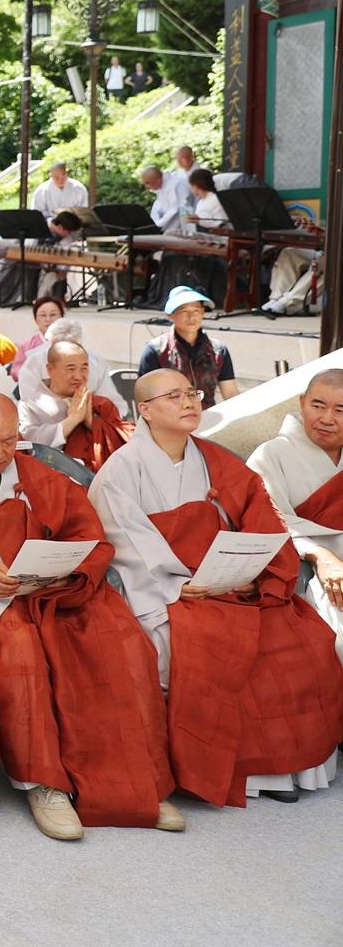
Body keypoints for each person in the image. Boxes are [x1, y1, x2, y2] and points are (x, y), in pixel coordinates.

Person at [0, 396, 181, 839]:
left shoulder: (33, 474)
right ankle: (44, 784)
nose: (1, 454)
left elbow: (85, 528)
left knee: (118, 636)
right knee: (20, 649)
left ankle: (136, 781)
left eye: (8, 441)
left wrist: (68, 567)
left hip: (47, 590)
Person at [90, 368, 343, 805]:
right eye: (175, 396)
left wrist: (255, 572)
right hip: (170, 590)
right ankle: (238, 772)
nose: (190, 401)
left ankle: (284, 770)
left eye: (192, 393)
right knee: (213, 645)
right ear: (145, 410)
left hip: (232, 584)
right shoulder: (119, 473)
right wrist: (179, 584)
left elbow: (264, 520)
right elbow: (127, 540)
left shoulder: (216, 459)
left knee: (303, 638)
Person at [248, 371, 343, 659]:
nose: (327, 418)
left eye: (340, 410)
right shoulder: (271, 455)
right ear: (301, 403)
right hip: (309, 568)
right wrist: (320, 556)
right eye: (317, 406)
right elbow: (268, 522)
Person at [20, 340, 128, 470]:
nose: (78, 376)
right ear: (50, 370)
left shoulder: (99, 404)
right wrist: (72, 420)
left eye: (84, 368)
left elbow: (124, 445)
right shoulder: (29, 405)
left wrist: (92, 422)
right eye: (71, 369)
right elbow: (29, 446)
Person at [135, 286, 237, 407]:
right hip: (170, 420)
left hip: (209, 417)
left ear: (203, 312)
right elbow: (146, 397)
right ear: (170, 315)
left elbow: (230, 392)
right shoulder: (156, 350)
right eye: (184, 311)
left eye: (196, 310)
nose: (191, 317)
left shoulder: (218, 350)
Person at [140, 165, 191, 235]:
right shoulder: (160, 187)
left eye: (148, 183)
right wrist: (152, 224)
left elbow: (179, 209)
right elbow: (158, 208)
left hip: (185, 229)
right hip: (169, 229)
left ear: (158, 179)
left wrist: (157, 225)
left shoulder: (177, 184)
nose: (146, 187)